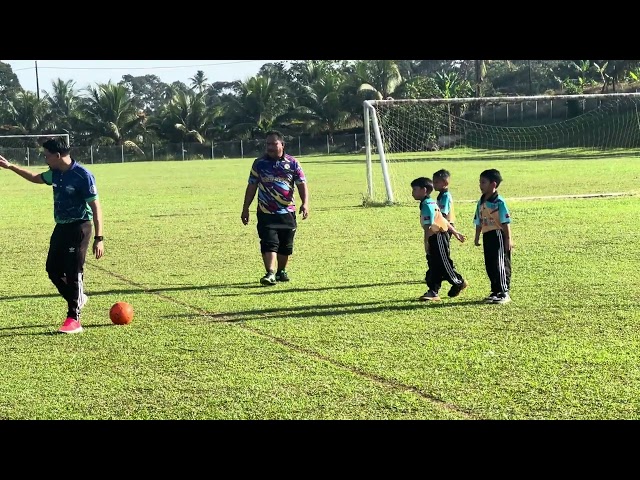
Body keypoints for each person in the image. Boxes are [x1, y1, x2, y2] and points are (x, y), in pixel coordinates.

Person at [0, 137, 104, 333]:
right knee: (52, 270)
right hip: (61, 227)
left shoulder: (83, 176)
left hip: (80, 227)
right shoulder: (55, 173)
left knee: (73, 272)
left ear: (57, 156)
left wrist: (99, 238)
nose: (45, 158)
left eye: (46, 155)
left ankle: (74, 319)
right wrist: (11, 167)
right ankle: (78, 297)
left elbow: (96, 207)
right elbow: (34, 177)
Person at [241, 130, 309, 285]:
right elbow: (252, 186)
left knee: (286, 245)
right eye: (268, 144)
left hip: (287, 212)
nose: (270, 147)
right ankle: (270, 273)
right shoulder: (259, 163)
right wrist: (245, 208)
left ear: (282, 145)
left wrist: (305, 203)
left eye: (274, 143)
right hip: (266, 211)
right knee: (269, 242)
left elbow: (301, 184)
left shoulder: (293, 163)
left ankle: (281, 271)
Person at [410, 177, 466, 302]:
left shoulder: (427, 205)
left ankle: (458, 282)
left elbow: (429, 227)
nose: (412, 192)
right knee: (433, 264)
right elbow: (442, 218)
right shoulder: (429, 202)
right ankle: (433, 291)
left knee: (443, 263)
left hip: (438, 236)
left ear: (424, 190)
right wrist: (455, 232)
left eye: (414, 189)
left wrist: (426, 243)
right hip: (435, 236)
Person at [473, 168, 513, 304]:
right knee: (490, 264)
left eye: (483, 182)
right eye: (480, 182)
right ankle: (495, 290)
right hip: (487, 235)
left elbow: (506, 222)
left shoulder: (499, 202)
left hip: (498, 234)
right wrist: (477, 236)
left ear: (493, 184)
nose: (480, 185)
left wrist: (508, 239)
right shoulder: (481, 201)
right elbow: (478, 220)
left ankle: (504, 291)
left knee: (500, 263)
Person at [431, 168, 468, 295]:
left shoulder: (446, 196)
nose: (434, 184)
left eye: (436, 182)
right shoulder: (441, 195)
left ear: (445, 183)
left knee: (443, 254)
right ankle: (441, 275)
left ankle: (455, 280)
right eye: (433, 181)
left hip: (445, 227)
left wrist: (453, 231)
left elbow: (443, 215)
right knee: (440, 254)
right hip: (442, 226)